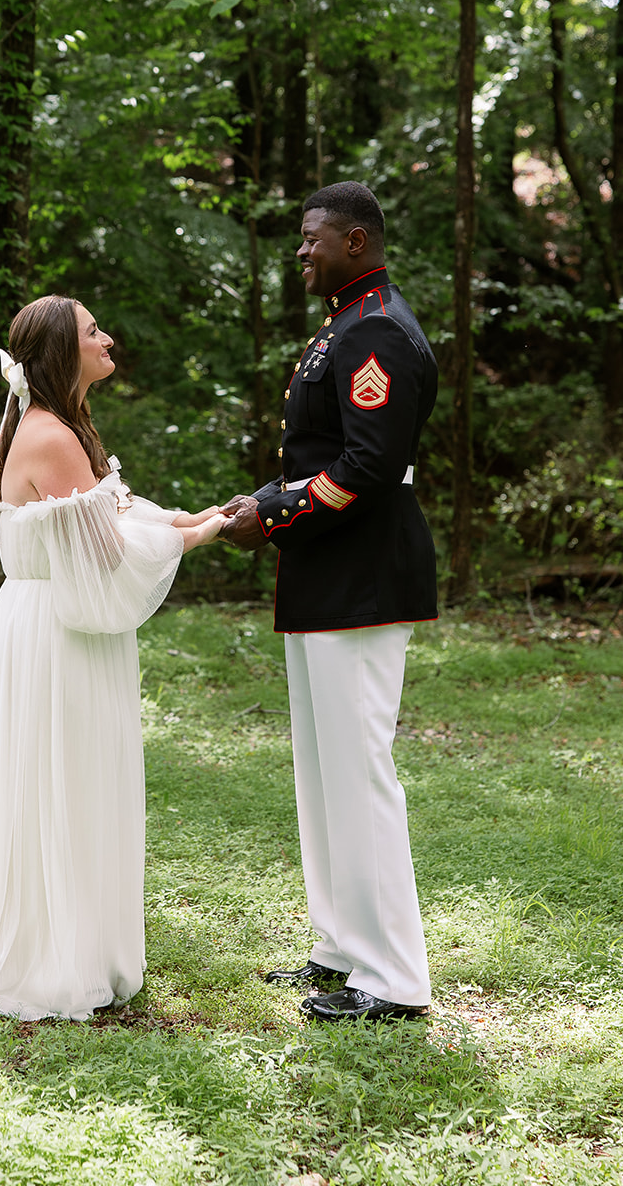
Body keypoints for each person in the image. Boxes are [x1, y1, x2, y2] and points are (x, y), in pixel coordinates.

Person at [0, 294, 224, 1020]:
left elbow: (119, 512)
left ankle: (77, 942)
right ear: (60, 353)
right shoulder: (50, 436)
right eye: (92, 331)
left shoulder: (63, 428)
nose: (107, 337)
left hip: (57, 623)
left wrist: (199, 515)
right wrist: (206, 536)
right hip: (54, 632)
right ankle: (52, 958)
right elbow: (109, 550)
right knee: (63, 778)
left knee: (75, 778)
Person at [222, 181, 438, 1024]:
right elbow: (326, 450)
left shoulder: (375, 325)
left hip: (361, 576)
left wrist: (274, 512)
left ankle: (392, 979)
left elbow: (369, 465)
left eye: (313, 239)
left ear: (356, 241)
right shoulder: (346, 322)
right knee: (322, 774)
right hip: (324, 575)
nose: (300, 251)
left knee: (360, 775)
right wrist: (264, 501)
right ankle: (341, 948)